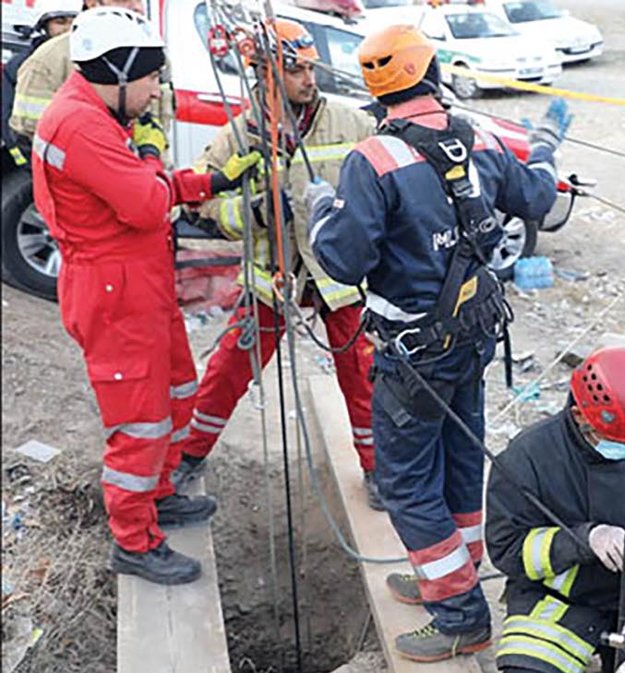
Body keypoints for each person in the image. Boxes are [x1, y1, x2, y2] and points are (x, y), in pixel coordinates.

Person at [306, 24, 566, 661]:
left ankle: (458, 611)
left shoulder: (374, 159)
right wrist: (545, 148)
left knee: (405, 481)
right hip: (474, 337)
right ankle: (452, 572)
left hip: (414, 354)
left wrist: (318, 207)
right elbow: (536, 195)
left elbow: (342, 259)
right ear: (431, 74)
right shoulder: (474, 138)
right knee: (458, 459)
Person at [31, 6, 259, 584]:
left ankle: (159, 494)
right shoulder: (79, 125)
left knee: (177, 389)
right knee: (140, 422)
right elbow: (145, 202)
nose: (157, 91)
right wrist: (157, 159)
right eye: (152, 79)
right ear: (120, 73)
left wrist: (211, 180)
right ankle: (133, 540)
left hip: (138, 283)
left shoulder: (98, 115)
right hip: (113, 293)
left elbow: (142, 187)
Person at [168, 19, 382, 508]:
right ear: (263, 72)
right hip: (274, 279)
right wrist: (254, 212)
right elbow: (199, 206)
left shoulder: (351, 124)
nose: (309, 79)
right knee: (228, 371)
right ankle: (189, 455)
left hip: (336, 277)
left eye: (311, 68)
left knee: (362, 374)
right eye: (296, 70)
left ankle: (377, 470)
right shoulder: (237, 138)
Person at [480, 347, 625, 673]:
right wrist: (586, 539)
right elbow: (507, 548)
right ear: (579, 414)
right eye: (613, 439)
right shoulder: (527, 459)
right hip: (561, 601)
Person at [9, 0, 149, 144]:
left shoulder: (149, 50)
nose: (68, 28)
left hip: (143, 161)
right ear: (93, 5)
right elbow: (30, 132)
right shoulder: (43, 61)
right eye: (60, 22)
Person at [2, 0, 79, 165]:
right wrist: (30, 165)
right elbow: (8, 121)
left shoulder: (94, 61)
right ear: (43, 26)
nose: (68, 28)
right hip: (40, 161)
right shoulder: (22, 65)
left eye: (74, 21)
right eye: (60, 22)